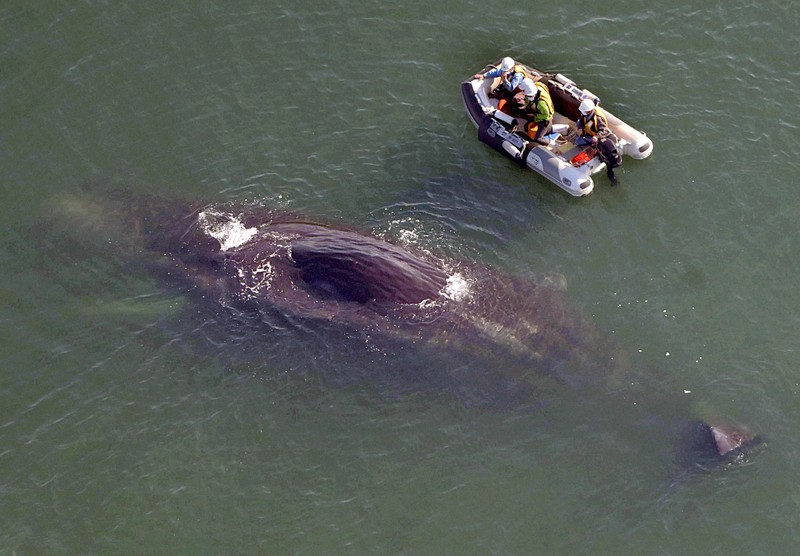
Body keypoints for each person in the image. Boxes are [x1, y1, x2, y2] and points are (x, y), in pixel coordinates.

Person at [575, 97, 620, 184]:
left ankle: (609, 172)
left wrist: (596, 136)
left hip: (598, 137)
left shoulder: (598, 119)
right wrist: (580, 128)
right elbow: (581, 121)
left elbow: (604, 130)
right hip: (590, 133)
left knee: (579, 142)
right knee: (579, 139)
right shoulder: (585, 114)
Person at [519, 78, 554, 145]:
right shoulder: (532, 91)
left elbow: (546, 115)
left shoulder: (541, 103)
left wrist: (534, 116)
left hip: (545, 120)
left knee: (538, 138)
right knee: (526, 127)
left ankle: (553, 144)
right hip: (537, 115)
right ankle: (547, 129)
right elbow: (527, 101)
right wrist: (525, 106)